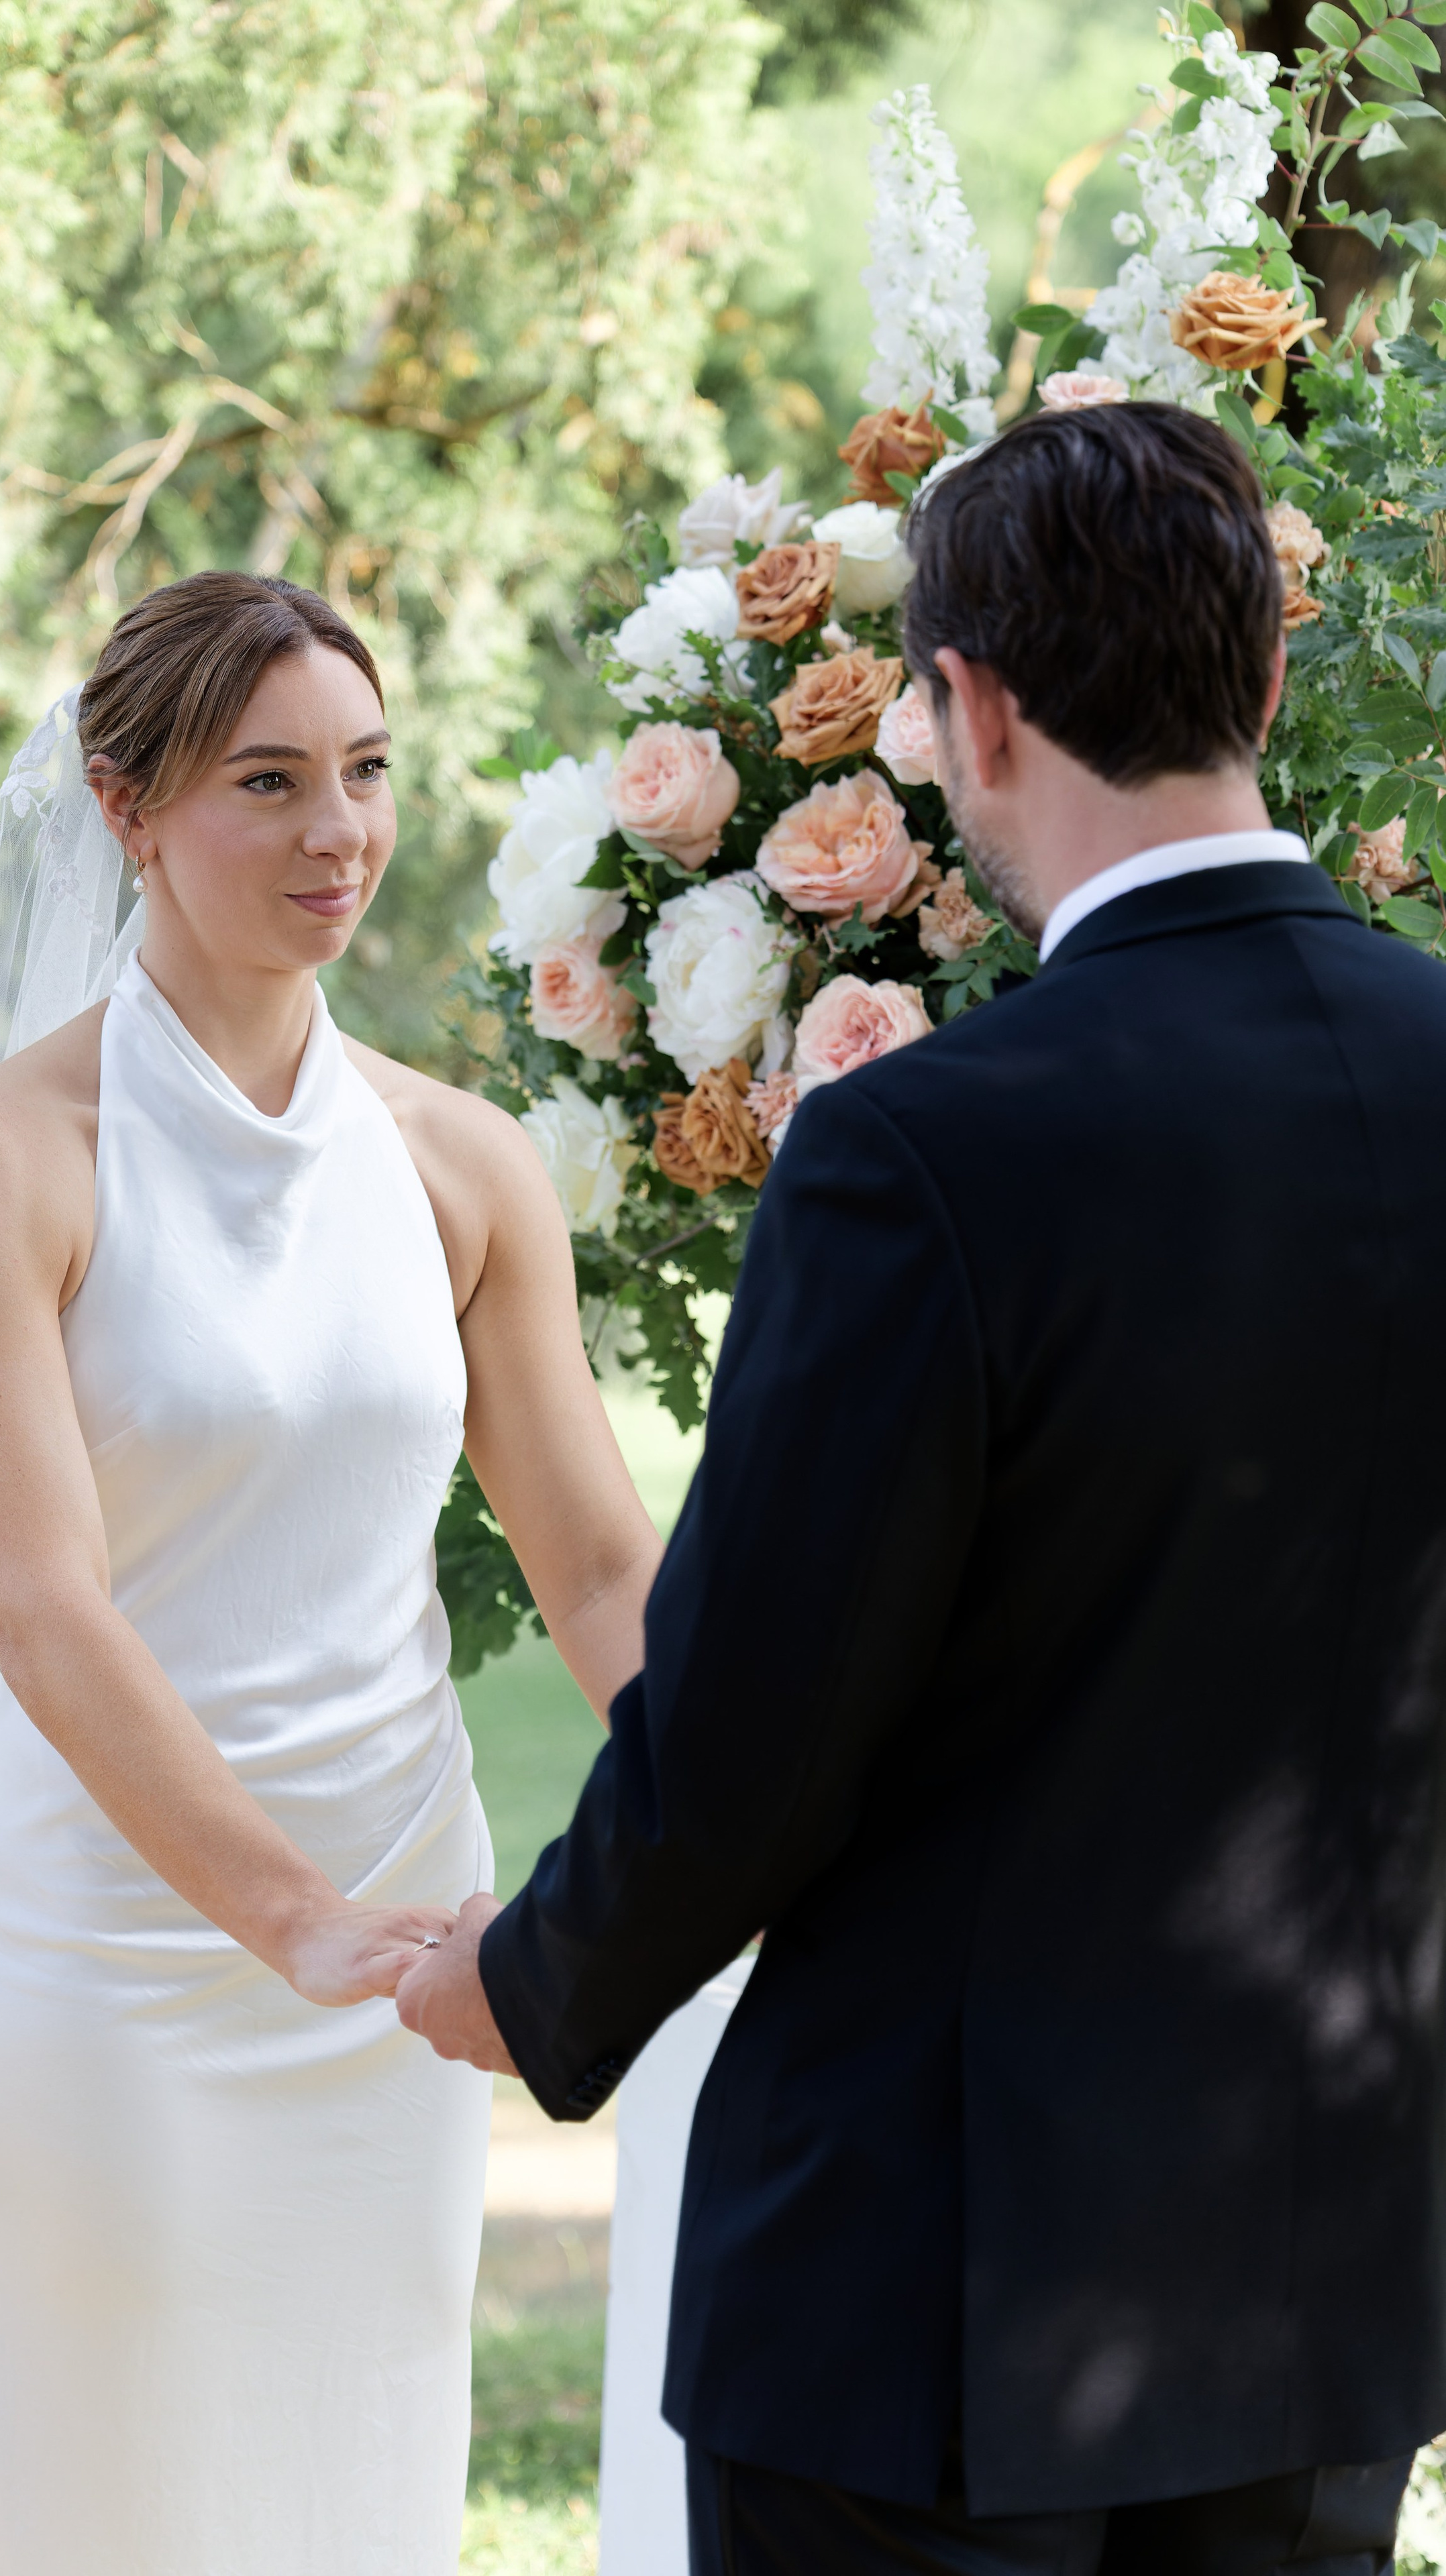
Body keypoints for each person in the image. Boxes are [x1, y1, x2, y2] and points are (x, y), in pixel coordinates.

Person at [397, 404, 1446, 2575]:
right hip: (1334, 2246)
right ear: (1262, 680)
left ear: (962, 711)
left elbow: (763, 1718)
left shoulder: (925, 1149)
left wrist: (537, 1981)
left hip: (937, 2286)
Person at [0, 571, 659, 2573]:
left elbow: (602, 1563)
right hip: (97, 1956)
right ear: (125, 805)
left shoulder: (462, 1167)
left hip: (401, 1973)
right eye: (267, 783)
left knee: (338, 2492)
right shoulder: (7, 1162)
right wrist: (287, 1916)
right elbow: (40, 1606)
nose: (336, 832)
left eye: (362, 773)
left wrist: (746, 1805)